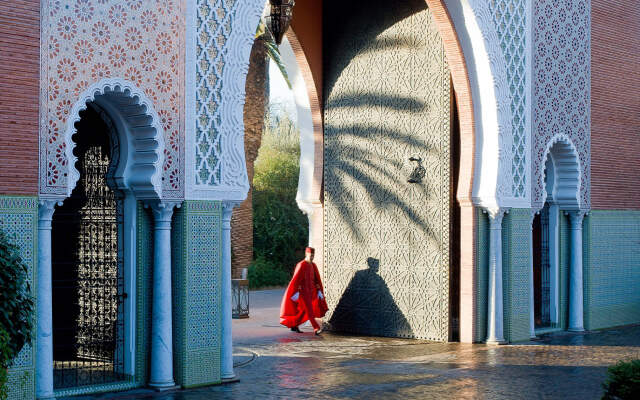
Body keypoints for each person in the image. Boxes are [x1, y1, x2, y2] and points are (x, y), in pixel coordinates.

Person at [280, 247, 328, 335]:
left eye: (313, 256)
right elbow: (295, 280)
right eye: (311, 255)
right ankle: (316, 328)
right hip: (303, 293)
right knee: (310, 311)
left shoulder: (313, 265)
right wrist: (296, 292)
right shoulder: (301, 264)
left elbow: (317, 279)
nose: (312, 257)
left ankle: (294, 325)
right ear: (306, 254)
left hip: (312, 292)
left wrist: (319, 291)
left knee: (303, 311)